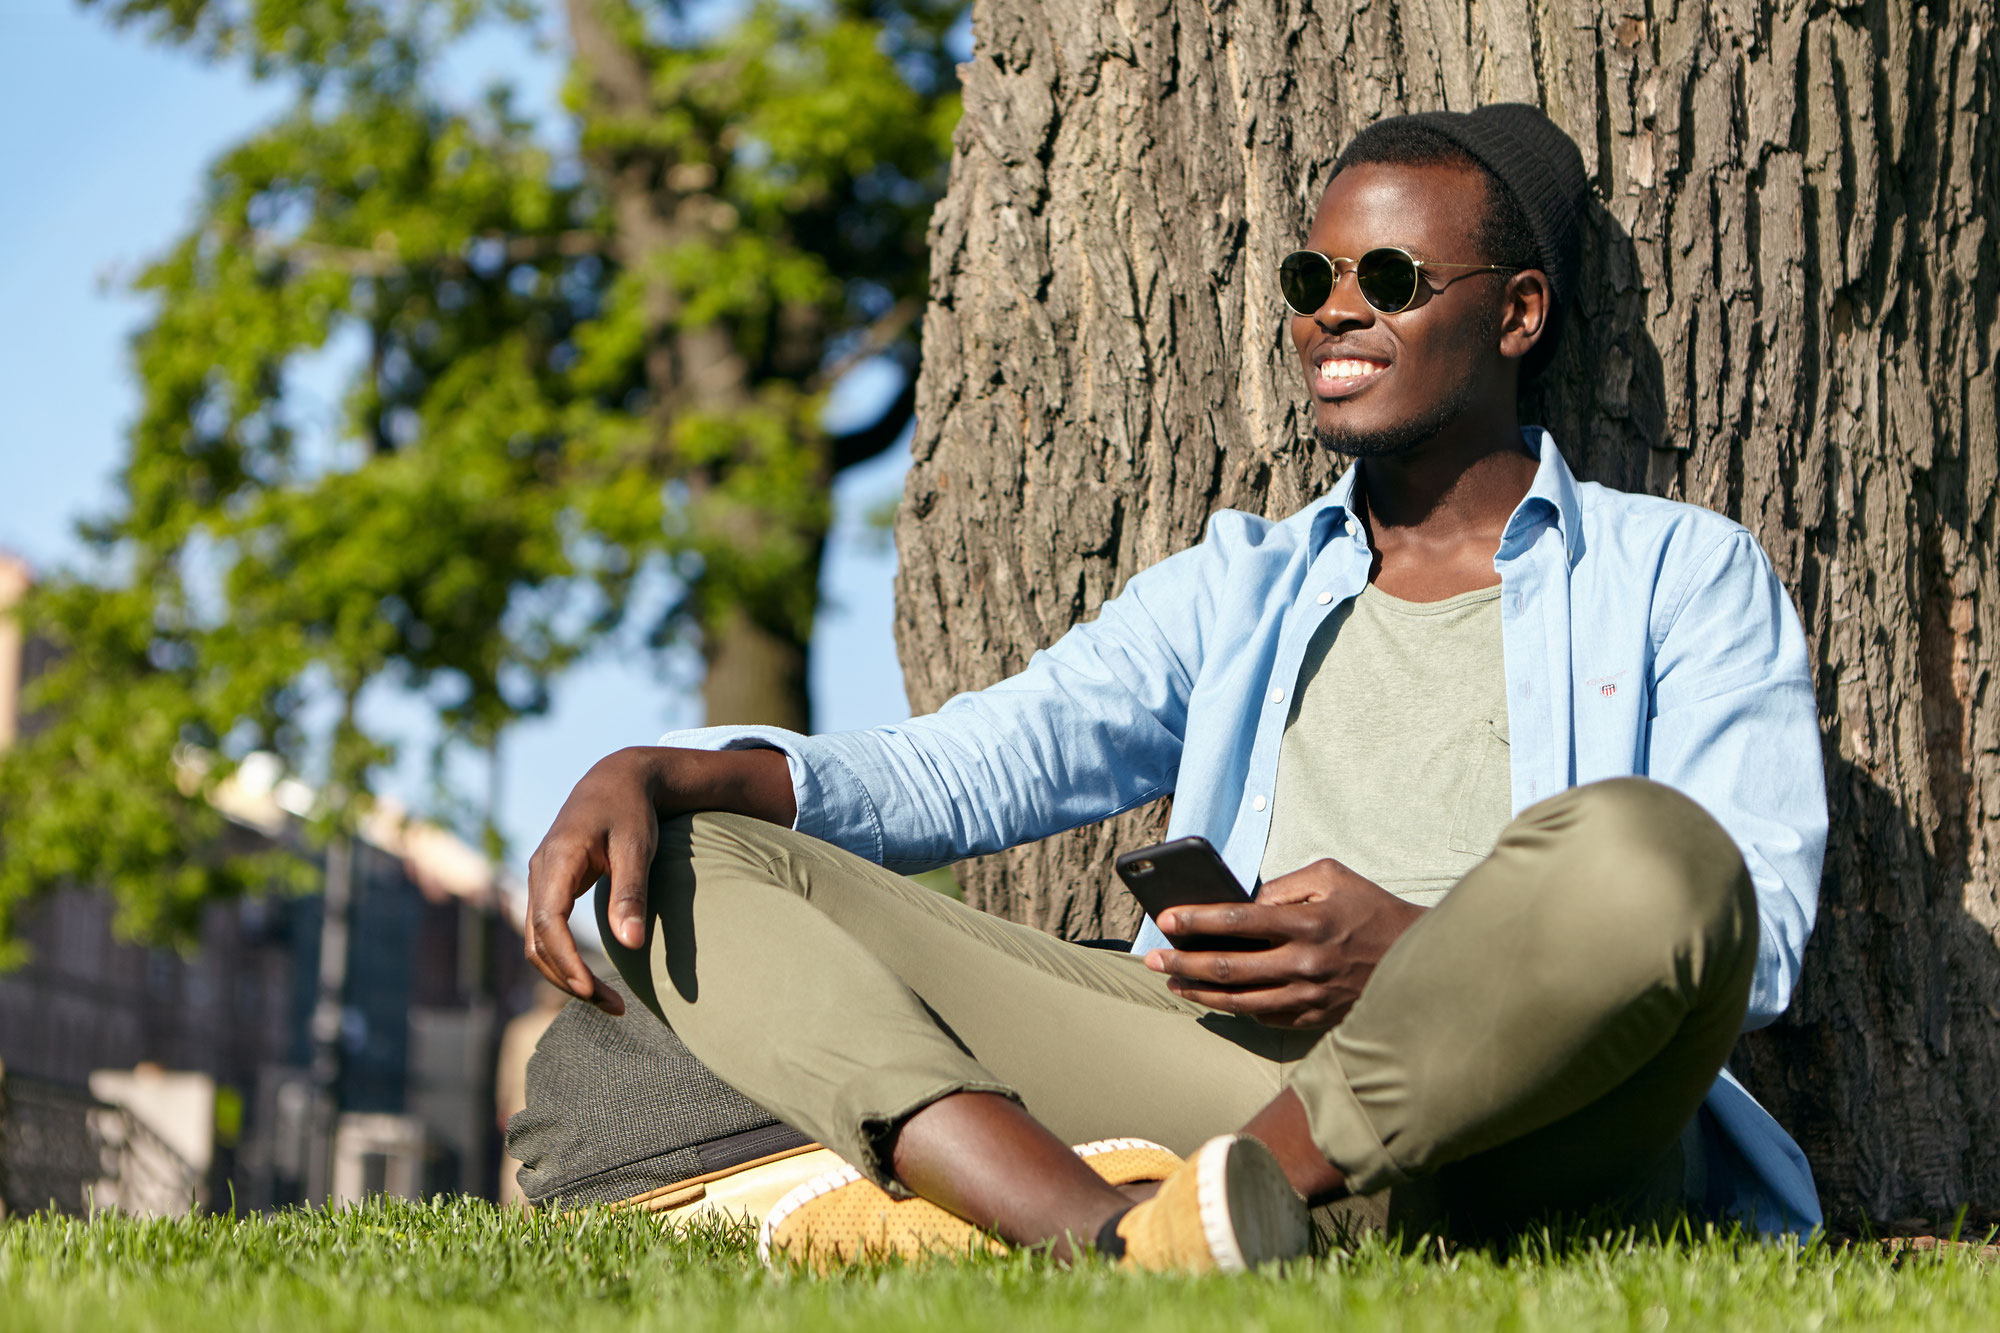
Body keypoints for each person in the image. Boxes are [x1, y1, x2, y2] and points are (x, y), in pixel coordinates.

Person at [524, 104, 1827, 1271]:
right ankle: (1114, 1239)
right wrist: (669, 769)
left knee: (1651, 851)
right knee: (695, 878)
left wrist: (1415, 949)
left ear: (1518, 312)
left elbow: (1744, 927)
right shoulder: (1241, 586)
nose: (1334, 310)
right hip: (1227, 1080)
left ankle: (1191, 1202)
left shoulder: (1677, 572)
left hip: (1534, 1127)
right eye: (1312, 278)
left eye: (1389, 277)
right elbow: (975, 763)